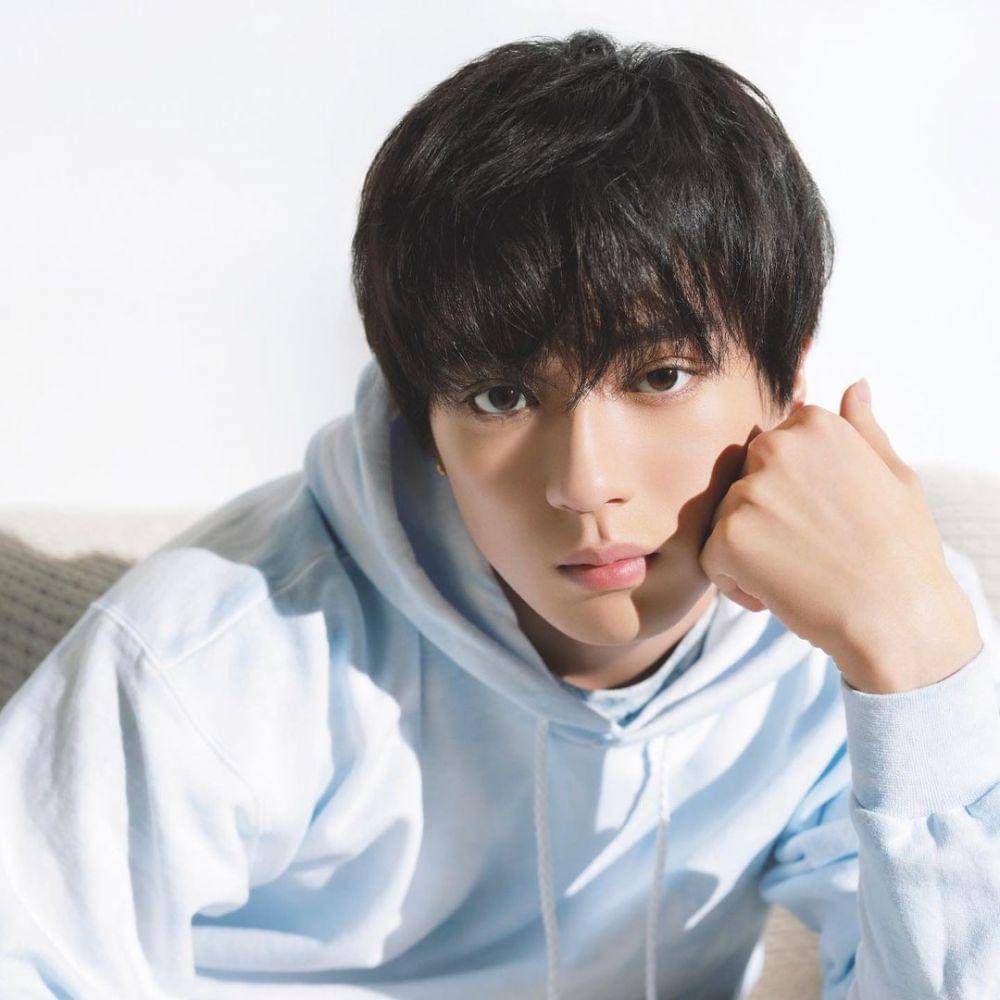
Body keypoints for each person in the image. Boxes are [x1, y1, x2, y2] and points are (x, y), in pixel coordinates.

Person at [1, 29, 998, 1000]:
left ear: (787, 374)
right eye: (500, 396)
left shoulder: (864, 627)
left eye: (659, 375)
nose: (583, 483)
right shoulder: (217, 648)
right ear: (422, 420)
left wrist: (916, 663)